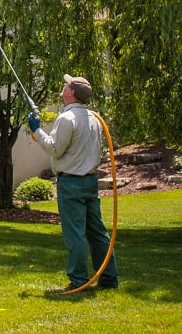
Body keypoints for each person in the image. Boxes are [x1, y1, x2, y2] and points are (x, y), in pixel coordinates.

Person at [28, 74, 119, 291]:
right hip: (90, 182)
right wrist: (39, 134)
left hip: (71, 183)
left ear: (71, 93)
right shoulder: (93, 118)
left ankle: (78, 281)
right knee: (97, 232)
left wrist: (37, 129)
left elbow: (55, 149)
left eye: (66, 85)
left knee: (75, 234)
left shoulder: (66, 119)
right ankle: (108, 280)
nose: (63, 86)